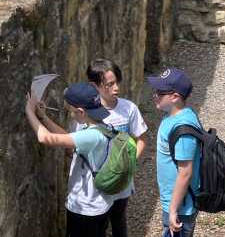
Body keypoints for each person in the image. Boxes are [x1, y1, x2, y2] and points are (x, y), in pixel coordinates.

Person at [25, 82, 114, 237]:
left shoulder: (92, 135)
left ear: (80, 111)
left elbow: (45, 138)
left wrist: (29, 111)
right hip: (100, 205)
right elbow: (68, 139)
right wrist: (43, 117)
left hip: (85, 209)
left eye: (70, 111)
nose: (70, 115)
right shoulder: (102, 127)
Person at [85, 58, 148, 237]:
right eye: (110, 84)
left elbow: (141, 139)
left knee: (119, 219)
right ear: (94, 85)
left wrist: (128, 164)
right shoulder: (86, 114)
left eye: (117, 82)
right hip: (98, 185)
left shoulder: (129, 109)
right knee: (99, 224)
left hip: (122, 183)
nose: (116, 88)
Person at [147, 67, 201, 237]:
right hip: (175, 203)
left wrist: (172, 210)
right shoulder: (171, 116)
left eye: (160, 92)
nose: (154, 94)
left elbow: (185, 173)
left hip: (181, 209)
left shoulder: (182, 128)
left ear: (175, 97)